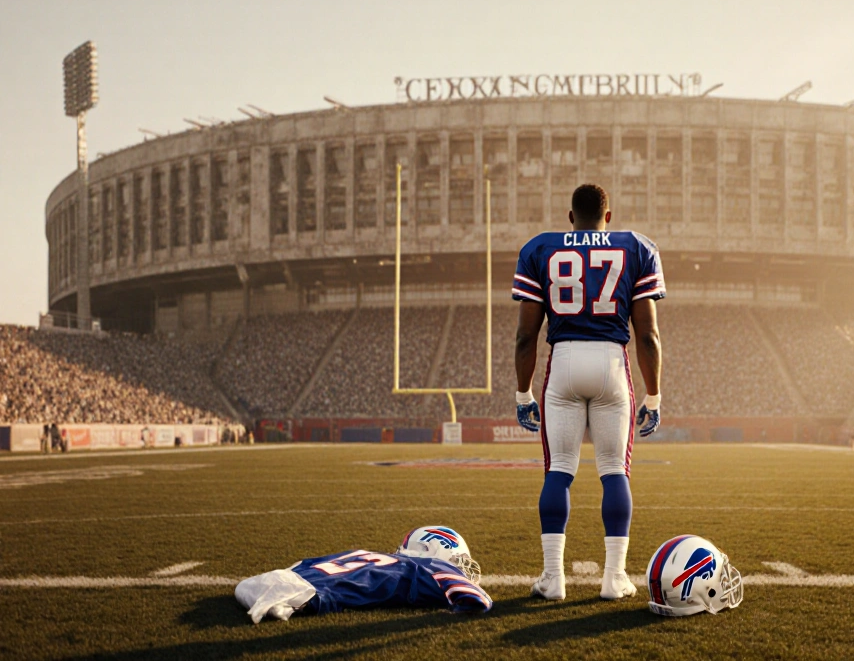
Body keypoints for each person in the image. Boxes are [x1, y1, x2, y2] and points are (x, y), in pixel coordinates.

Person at [511, 183, 665, 602]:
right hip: (611, 363)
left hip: (563, 362)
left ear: (569, 217)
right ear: (608, 217)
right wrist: (653, 395)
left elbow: (527, 336)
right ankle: (614, 578)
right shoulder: (636, 246)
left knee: (559, 468)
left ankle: (552, 578)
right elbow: (648, 335)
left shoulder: (540, 248)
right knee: (614, 469)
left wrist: (523, 393)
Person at [235, 549, 491, 624]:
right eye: (456, 559)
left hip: (276, 579)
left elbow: (302, 563)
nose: (462, 568)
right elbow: (476, 598)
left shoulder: (364, 551)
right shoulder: (428, 567)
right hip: (308, 596)